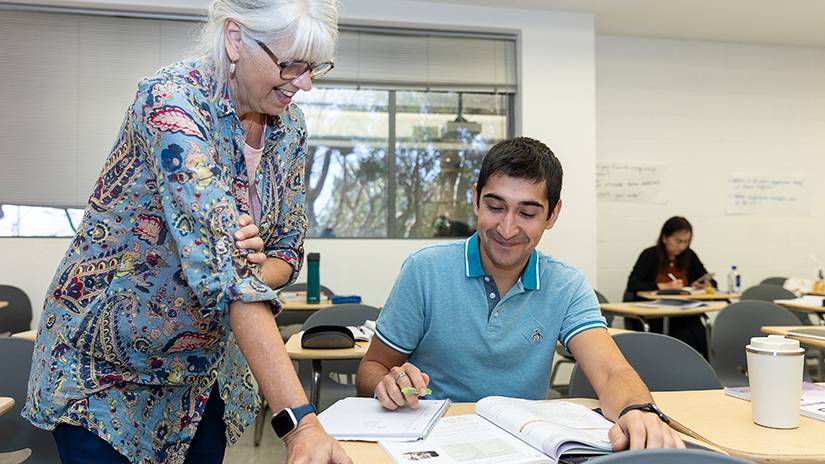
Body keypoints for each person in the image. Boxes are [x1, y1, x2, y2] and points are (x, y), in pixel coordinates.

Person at [22, 1, 351, 463]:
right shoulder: (171, 102)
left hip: (199, 379)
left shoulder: (289, 128)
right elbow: (229, 272)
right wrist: (301, 424)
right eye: (291, 64)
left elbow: (286, 253)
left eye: (315, 66)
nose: (305, 82)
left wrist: (250, 268)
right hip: (108, 379)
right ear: (236, 39)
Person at [357, 137, 685, 451]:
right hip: (432, 442)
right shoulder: (424, 270)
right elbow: (371, 367)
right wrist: (386, 383)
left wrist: (637, 410)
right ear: (475, 198)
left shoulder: (566, 285)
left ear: (552, 215)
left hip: (523, 447)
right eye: (496, 206)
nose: (507, 228)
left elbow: (612, 371)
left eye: (527, 214)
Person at [623, 216, 717, 356]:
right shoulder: (650, 255)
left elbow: (711, 281)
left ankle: (704, 366)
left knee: (697, 328)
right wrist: (662, 286)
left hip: (682, 311)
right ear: (664, 238)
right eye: (678, 241)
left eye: (686, 242)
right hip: (654, 314)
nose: (681, 246)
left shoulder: (689, 255)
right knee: (684, 333)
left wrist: (703, 284)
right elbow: (633, 284)